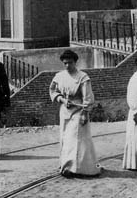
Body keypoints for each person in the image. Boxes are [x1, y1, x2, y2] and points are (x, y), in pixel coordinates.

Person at [49, 49, 101, 177]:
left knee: (75, 139)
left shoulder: (82, 77)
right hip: (65, 110)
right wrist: (61, 99)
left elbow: (88, 97)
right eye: (65, 63)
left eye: (70, 63)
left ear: (75, 62)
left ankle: (76, 168)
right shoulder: (59, 76)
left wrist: (84, 113)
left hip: (78, 110)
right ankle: (66, 165)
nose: (67, 66)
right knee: (65, 138)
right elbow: (53, 91)